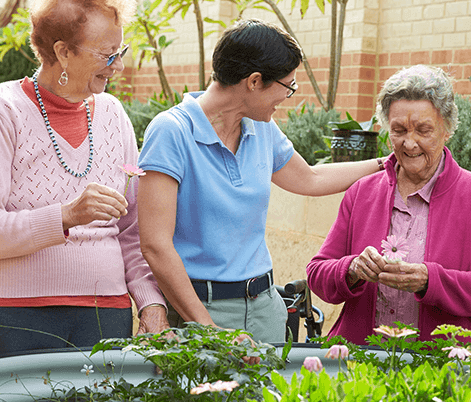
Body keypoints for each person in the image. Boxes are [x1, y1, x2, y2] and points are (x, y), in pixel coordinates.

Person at [0, 0, 167, 365]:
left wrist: (150, 302)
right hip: (2, 318)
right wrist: (65, 216)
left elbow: (130, 230)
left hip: (102, 318)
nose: (118, 65)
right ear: (63, 52)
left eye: (120, 50)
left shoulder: (114, 116)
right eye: (107, 54)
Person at [137, 18, 383, 344]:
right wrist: (208, 328)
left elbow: (309, 178)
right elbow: (155, 245)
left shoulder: (261, 128)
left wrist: (385, 164)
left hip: (265, 307)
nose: (288, 97)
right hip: (199, 309)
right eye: (287, 86)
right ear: (254, 81)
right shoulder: (171, 131)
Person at [306, 65, 471, 346]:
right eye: (399, 130)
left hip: (445, 366)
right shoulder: (362, 192)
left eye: (424, 130)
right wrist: (351, 269)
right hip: (362, 362)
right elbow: (317, 272)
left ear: (447, 129)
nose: (410, 143)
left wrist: (431, 280)